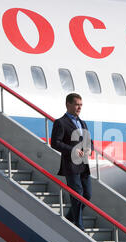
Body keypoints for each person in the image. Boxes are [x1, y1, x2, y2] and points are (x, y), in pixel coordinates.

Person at [51, 93, 93, 230]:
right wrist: (72, 150)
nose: (79, 107)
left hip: (83, 164)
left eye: (81, 105)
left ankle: (69, 217)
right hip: (70, 165)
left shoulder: (82, 122)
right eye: (76, 104)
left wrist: (89, 149)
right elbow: (55, 143)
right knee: (77, 194)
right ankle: (79, 225)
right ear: (68, 104)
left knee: (87, 195)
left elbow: (88, 140)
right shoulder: (60, 122)